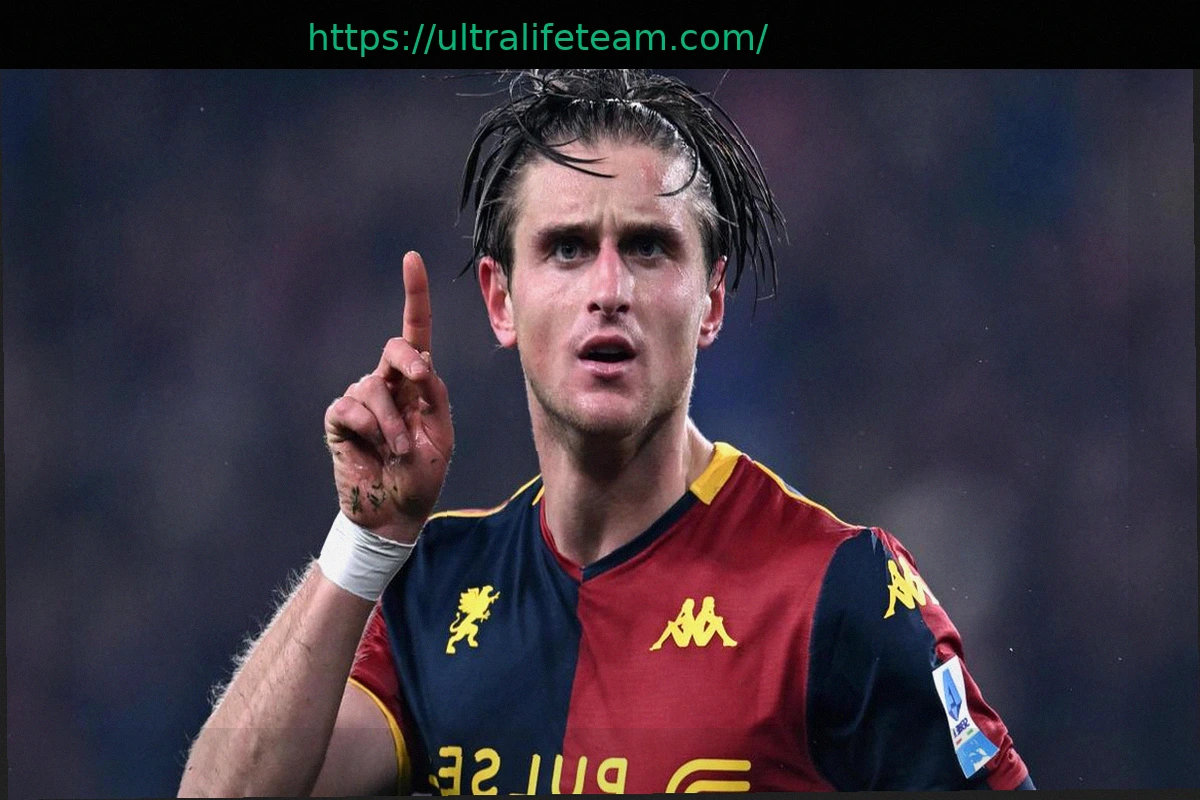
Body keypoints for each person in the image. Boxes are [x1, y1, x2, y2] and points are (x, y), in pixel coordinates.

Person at [178, 70, 1033, 795]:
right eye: (568, 248)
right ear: (501, 301)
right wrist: (368, 541)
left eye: (650, 248)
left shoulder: (834, 591)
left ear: (712, 302)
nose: (610, 289)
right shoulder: (432, 591)